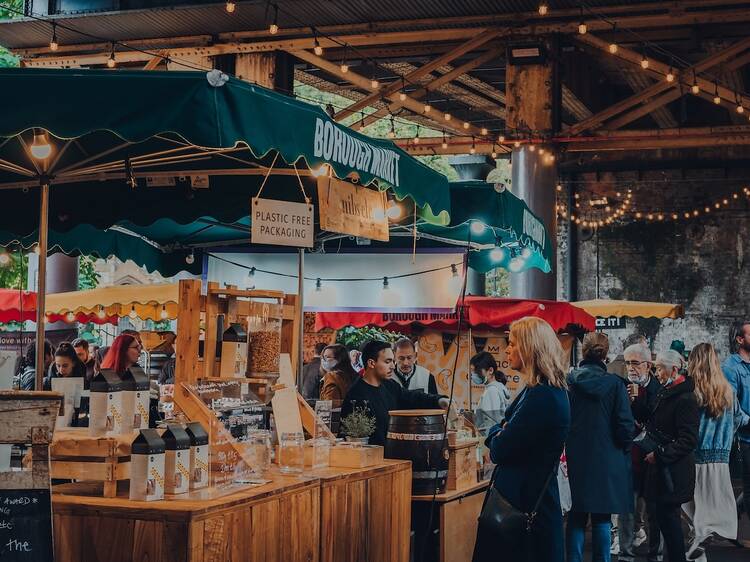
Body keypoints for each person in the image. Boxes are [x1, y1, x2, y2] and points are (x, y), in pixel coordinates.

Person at [482, 317, 570, 562]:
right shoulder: (540, 390)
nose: (507, 349)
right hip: (524, 504)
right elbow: (504, 432)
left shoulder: (542, 396)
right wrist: (501, 430)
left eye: (512, 343)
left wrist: (497, 433)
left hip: (526, 508)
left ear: (530, 348)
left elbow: (499, 448)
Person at [566, 332, 635, 562]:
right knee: (602, 518)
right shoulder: (615, 385)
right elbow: (625, 425)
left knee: (576, 516)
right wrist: (623, 447)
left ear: (583, 351)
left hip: (576, 457)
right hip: (607, 459)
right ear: (605, 354)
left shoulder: (569, 382)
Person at [683, 343, 738, 562]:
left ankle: (701, 534)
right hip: (721, 457)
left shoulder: (691, 391)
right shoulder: (727, 390)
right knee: (717, 501)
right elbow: (738, 419)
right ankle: (700, 547)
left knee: (688, 502)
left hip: (696, 454)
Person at [643, 350, 699, 562]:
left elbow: (688, 439)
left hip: (673, 473)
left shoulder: (685, 398)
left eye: (659, 368)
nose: (656, 373)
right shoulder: (665, 393)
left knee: (671, 526)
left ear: (674, 369)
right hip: (663, 472)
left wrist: (659, 454)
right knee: (666, 523)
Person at [341, 340, 448, 446]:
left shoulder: (389, 385)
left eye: (393, 361)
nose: (392, 366)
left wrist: (439, 400)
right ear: (371, 363)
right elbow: (352, 439)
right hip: (372, 458)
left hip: (394, 455)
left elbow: (412, 397)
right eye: (387, 362)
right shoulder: (356, 396)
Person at [617, 343, 664, 562]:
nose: (631, 368)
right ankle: (626, 552)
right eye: (627, 363)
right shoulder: (624, 387)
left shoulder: (659, 387)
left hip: (653, 458)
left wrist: (636, 402)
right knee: (627, 508)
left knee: (654, 510)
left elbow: (657, 419)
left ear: (648, 364)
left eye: (635, 363)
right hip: (629, 456)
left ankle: (656, 553)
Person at [722, 320, 750, 520]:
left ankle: (731, 515)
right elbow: (730, 406)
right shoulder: (730, 367)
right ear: (740, 340)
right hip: (745, 438)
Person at [471, 351, 510, 435]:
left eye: (477, 371)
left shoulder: (491, 391)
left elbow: (492, 423)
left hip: (488, 440)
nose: (474, 375)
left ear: (490, 370)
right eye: (472, 371)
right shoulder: (498, 387)